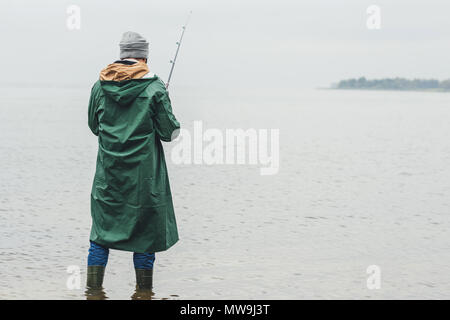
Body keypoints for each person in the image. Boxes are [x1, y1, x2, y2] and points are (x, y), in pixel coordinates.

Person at [86, 31, 180, 293]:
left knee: (99, 237)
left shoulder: (99, 86)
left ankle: (92, 293)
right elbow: (169, 133)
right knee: (145, 238)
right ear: (144, 57)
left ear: (121, 55)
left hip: (109, 177)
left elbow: (95, 126)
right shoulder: (155, 87)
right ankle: (143, 293)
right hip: (144, 179)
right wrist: (164, 101)